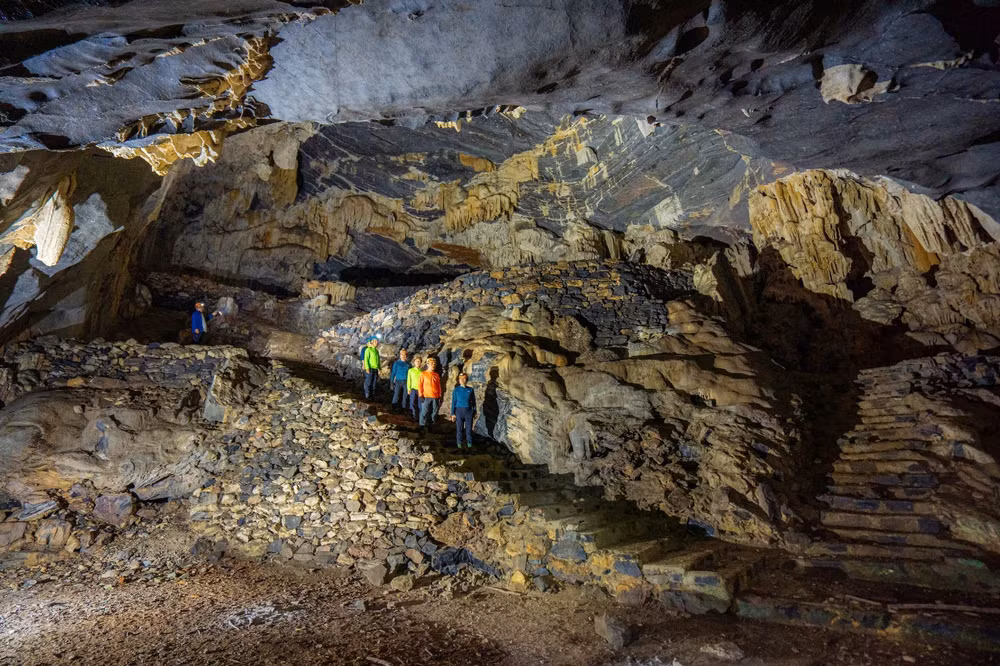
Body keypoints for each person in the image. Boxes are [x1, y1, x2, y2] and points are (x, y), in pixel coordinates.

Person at [450, 372, 476, 448]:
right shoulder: (456, 390)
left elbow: (474, 402)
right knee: (459, 429)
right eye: (460, 379)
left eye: (464, 378)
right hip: (459, 411)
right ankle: (459, 445)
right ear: (458, 380)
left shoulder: (470, 389)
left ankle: (469, 445)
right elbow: (453, 402)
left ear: (466, 379)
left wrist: (474, 411)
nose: (462, 380)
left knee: (469, 429)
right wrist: (452, 413)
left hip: (468, 411)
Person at [418, 356, 443, 428]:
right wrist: (420, 395)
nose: (433, 365)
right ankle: (422, 426)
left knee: (434, 412)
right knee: (424, 412)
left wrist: (439, 395)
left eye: (434, 364)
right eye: (431, 364)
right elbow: (420, 385)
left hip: (435, 396)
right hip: (426, 396)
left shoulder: (436, 375)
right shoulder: (423, 374)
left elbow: (438, 386)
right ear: (428, 364)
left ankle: (431, 425)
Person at [406, 355, 423, 421]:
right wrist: (408, 388)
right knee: (412, 403)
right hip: (413, 389)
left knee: (420, 404)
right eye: (416, 361)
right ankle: (413, 416)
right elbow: (409, 380)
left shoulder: (422, 372)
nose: (418, 363)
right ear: (414, 362)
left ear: (421, 363)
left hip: (420, 390)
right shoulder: (410, 370)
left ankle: (419, 418)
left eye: (419, 361)